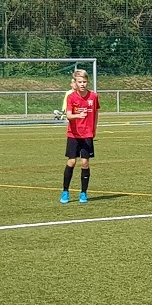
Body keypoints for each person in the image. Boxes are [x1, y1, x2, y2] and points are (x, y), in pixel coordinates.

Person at [60, 70, 100, 204]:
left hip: (87, 134)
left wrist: (94, 128)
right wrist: (78, 116)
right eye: (80, 82)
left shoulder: (93, 96)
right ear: (75, 83)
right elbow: (68, 115)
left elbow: (96, 113)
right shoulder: (71, 97)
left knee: (84, 163)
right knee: (71, 161)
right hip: (73, 134)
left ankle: (83, 192)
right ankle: (65, 191)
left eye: (84, 82)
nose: (82, 84)